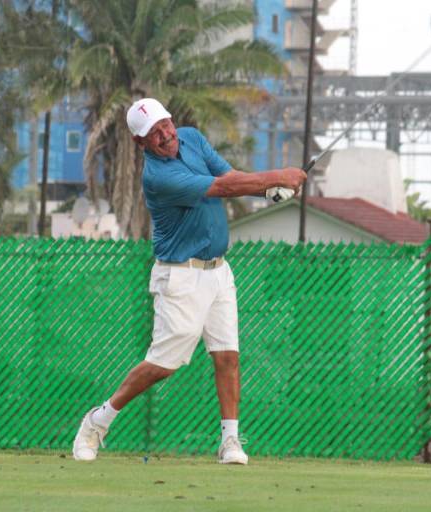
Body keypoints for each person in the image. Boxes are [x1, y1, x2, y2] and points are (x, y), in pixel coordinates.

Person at [72, 98, 307, 465]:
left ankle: (230, 441)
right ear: (141, 143)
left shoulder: (192, 138)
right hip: (180, 276)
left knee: (227, 355)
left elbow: (228, 177)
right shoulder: (158, 176)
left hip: (219, 271)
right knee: (163, 364)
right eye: (155, 133)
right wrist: (278, 177)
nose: (166, 134)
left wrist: (267, 189)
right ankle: (98, 420)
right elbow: (222, 189)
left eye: (165, 124)